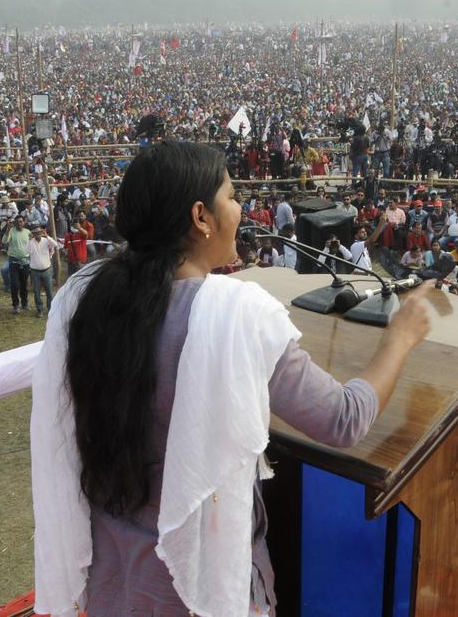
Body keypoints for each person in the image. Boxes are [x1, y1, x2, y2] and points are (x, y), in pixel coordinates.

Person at [30, 142, 434, 616]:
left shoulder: (82, 298)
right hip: (197, 591)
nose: (241, 210)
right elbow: (342, 420)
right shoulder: (235, 314)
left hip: (114, 584)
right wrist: (400, 339)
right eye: (233, 195)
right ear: (201, 217)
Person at [28, 226, 58, 316]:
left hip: (47, 270)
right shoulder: (30, 242)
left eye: (39, 232)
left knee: (49, 291)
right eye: (35, 233)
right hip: (35, 271)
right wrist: (29, 240)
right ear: (33, 234)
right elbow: (27, 251)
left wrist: (47, 236)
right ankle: (39, 310)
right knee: (36, 292)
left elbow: (55, 244)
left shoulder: (46, 241)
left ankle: (50, 309)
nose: (38, 234)